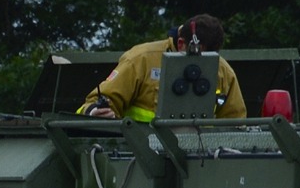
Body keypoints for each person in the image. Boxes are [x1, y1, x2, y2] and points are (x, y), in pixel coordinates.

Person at [79, 14, 245, 121]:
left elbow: (234, 123)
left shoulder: (223, 72)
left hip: (200, 161)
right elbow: (100, 101)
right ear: (181, 44)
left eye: (210, 58)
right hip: (141, 155)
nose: (202, 65)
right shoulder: (141, 59)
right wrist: (96, 112)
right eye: (198, 55)